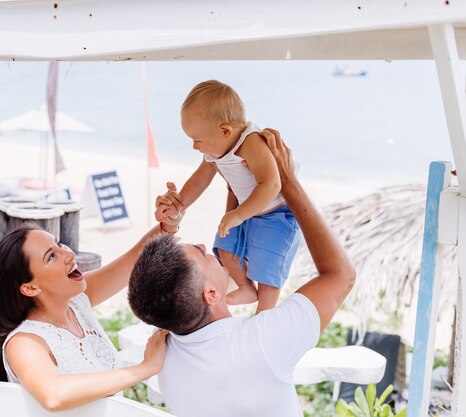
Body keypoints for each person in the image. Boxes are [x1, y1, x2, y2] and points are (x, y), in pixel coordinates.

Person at [129, 129, 356, 417]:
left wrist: (235, 186)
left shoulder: (165, 355)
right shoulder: (262, 342)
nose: (203, 244)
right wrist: (288, 183)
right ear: (211, 294)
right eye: (200, 253)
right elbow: (340, 275)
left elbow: (157, 290)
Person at [0, 216, 181, 412]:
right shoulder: (25, 342)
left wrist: (168, 225)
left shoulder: (76, 303)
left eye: (59, 244)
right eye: (51, 256)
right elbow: (53, 395)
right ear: (30, 288)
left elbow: (132, 261)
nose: (69, 254)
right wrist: (145, 368)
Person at [156, 80, 300, 312]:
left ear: (225, 131)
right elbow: (199, 181)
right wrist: (180, 204)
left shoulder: (251, 142)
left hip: (277, 213)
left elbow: (271, 184)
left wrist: (237, 215)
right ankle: (245, 287)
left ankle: (265, 312)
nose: (194, 146)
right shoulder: (217, 149)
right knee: (225, 247)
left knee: (268, 267)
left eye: (198, 140)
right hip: (244, 211)